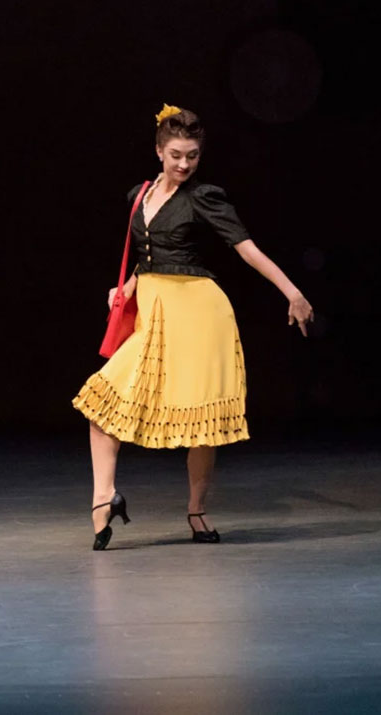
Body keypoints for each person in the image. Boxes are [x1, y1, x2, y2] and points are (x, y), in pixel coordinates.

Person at [75, 105, 313, 550]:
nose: (184, 164)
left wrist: (292, 292)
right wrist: (125, 287)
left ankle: (197, 510)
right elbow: (147, 256)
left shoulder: (204, 197)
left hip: (199, 315)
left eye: (193, 156)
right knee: (101, 403)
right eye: (176, 155)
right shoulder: (139, 195)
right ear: (158, 151)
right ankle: (103, 498)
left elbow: (247, 248)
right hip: (154, 315)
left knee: (202, 420)